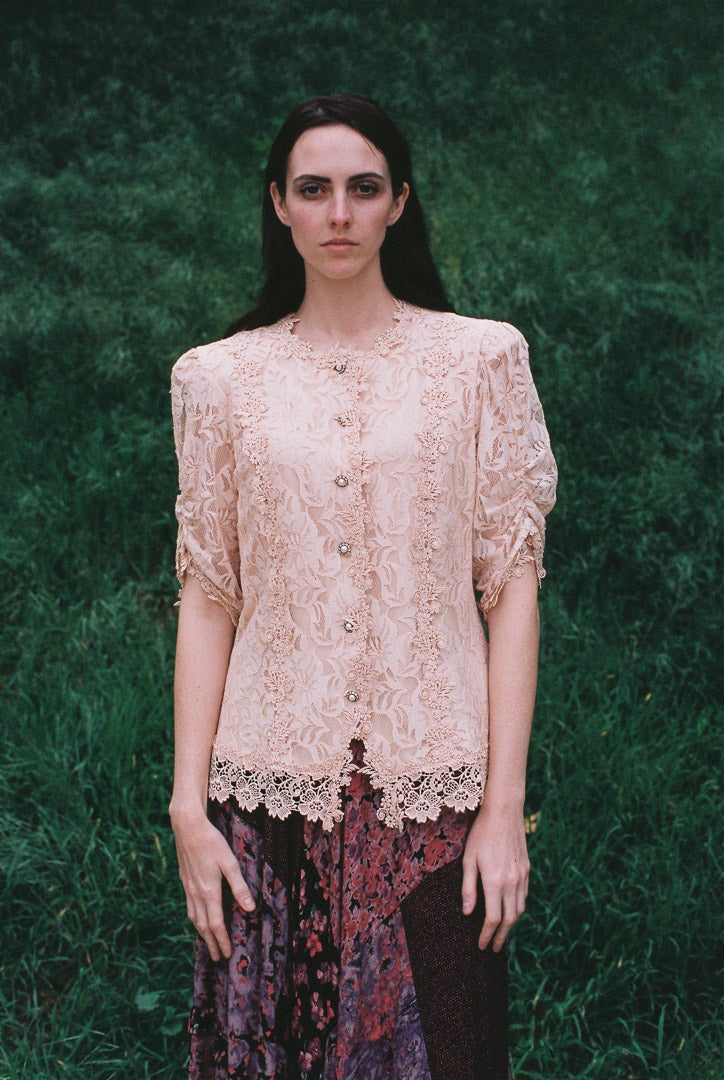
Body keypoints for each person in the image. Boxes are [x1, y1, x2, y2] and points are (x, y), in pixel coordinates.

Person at [169, 92, 557, 1080]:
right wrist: (187, 810)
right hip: (267, 806)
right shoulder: (217, 380)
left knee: (448, 1056)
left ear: (397, 203)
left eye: (362, 187)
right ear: (278, 205)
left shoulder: (480, 361)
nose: (338, 211)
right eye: (313, 189)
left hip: (435, 801)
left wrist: (503, 809)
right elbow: (210, 592)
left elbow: (510, 584)